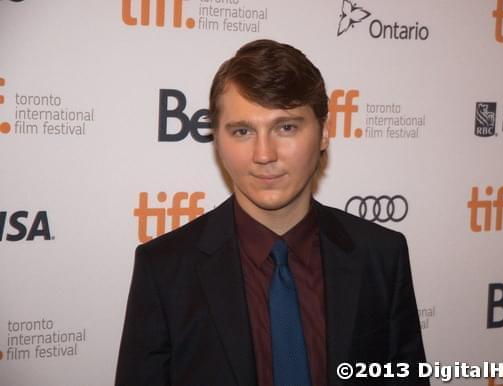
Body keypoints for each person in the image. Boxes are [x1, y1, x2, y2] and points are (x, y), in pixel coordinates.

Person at [115, 39, 428, 386]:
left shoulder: (382, 254)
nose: (264, 154)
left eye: (286, 127)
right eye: (243, 131)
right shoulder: (163, 270)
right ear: (217, 140)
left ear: (324, 133)